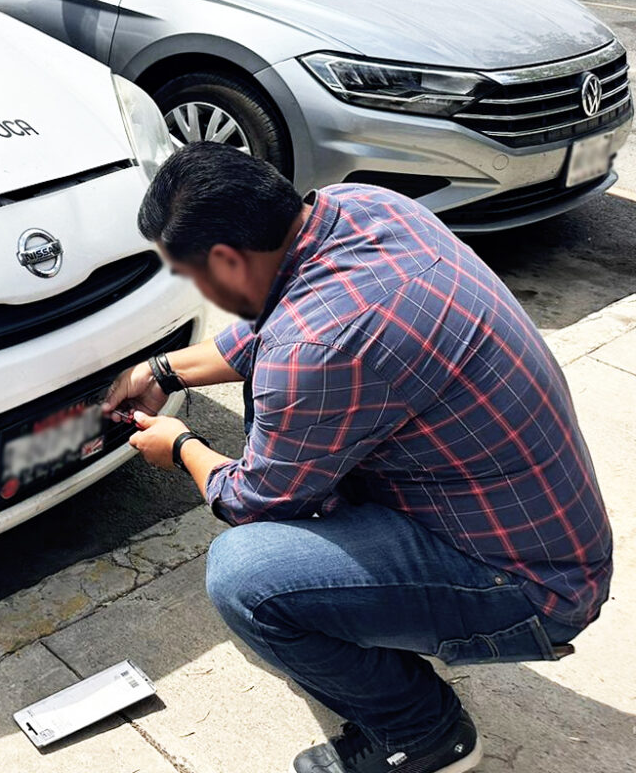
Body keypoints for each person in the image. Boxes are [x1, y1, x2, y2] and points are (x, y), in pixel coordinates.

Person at [103, 142, 612, 773]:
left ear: (230, 259)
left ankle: (425, 736)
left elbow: (252, 499)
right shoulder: (364, 207)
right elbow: (273, 329)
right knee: (290, 460)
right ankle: (385, 631)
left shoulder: (317, 346)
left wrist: (180, 447)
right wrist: (163, 369)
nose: (193, 288)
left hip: (530, 591)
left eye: (192, 274)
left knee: (248, 577)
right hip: (541, 535)